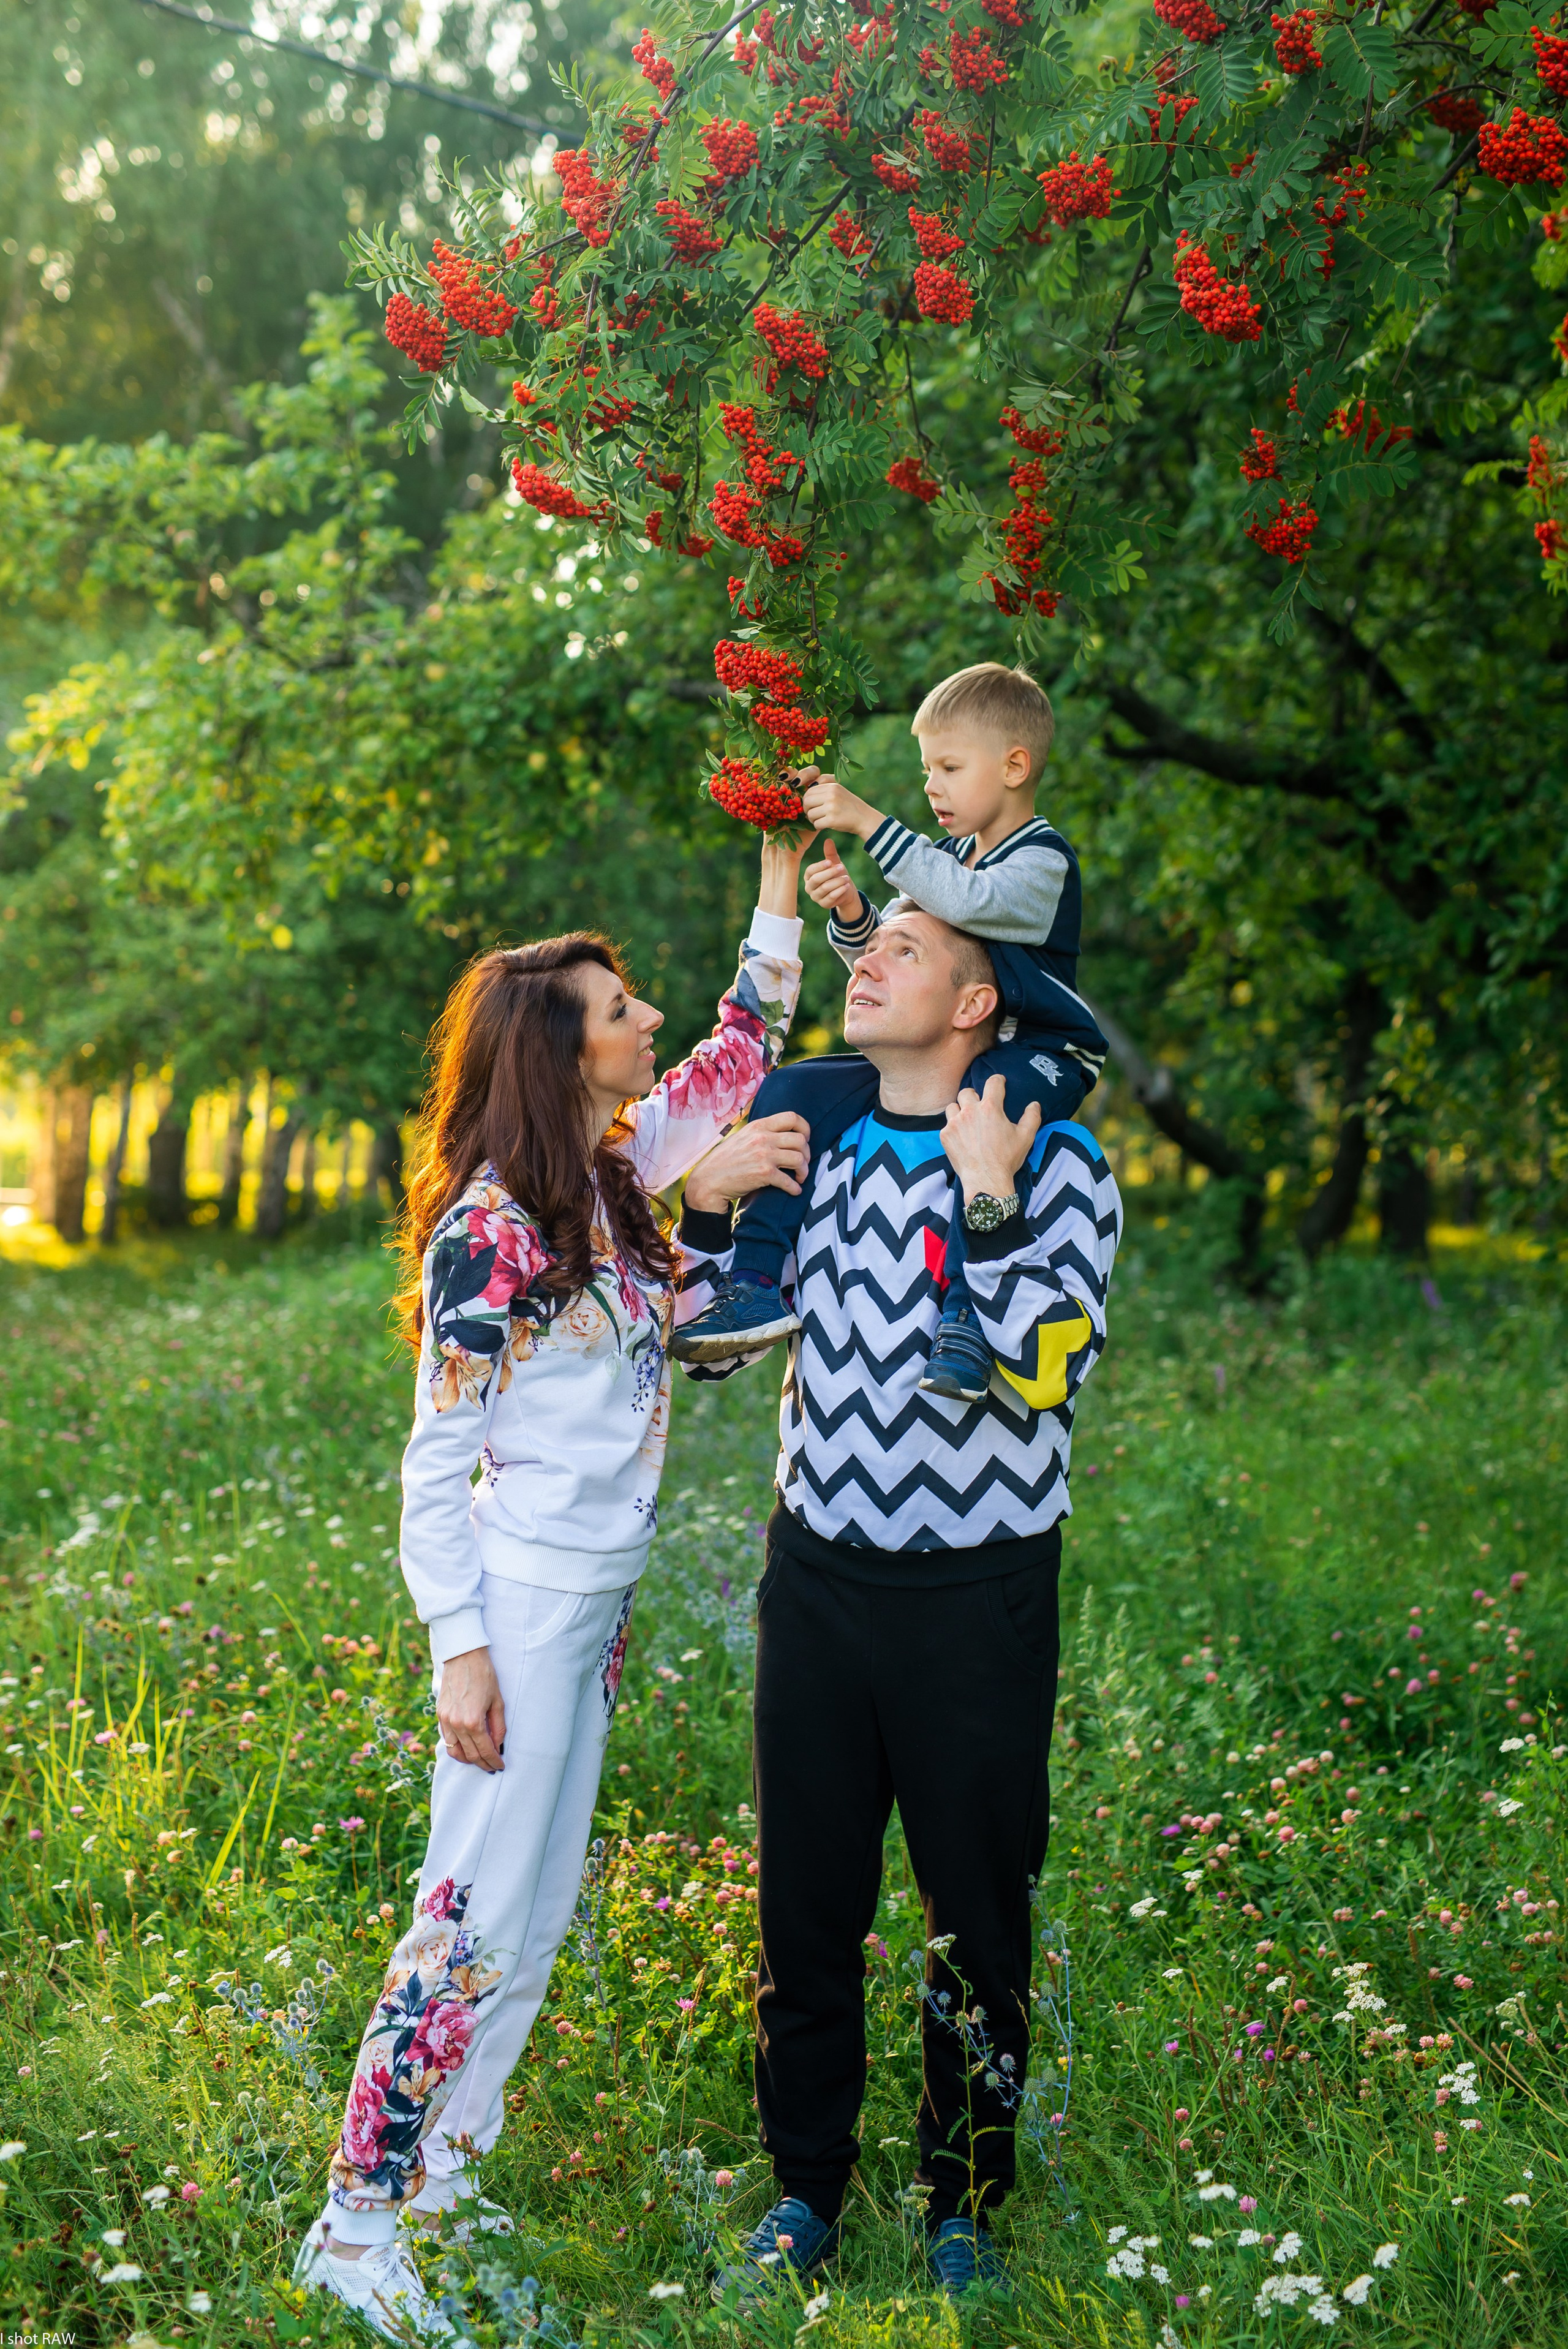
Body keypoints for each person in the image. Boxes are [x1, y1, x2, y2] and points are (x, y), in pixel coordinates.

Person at [293, 832, 816, 2341]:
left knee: (533, 1913)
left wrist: (776, 877)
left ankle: (449, 2177)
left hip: (588, 1614)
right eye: (616, 1009)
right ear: (557, 1050)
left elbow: (735, 1051)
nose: (645, 1023)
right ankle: (354, 2219)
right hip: (515, 1616)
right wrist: (461, 1649)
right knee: (461, 1916)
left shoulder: (605, 1174)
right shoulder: (495, 1228)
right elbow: (428, 1461)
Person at [677, 897, 1121, 2303]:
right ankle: (804, 2188)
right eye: (870, 947)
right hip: (817, 1577)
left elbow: (1045, 1365)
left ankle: (964, 2203)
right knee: (801, 1904)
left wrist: (984, 1196)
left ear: (978, 1002)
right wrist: (705, 1200)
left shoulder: (1060, 1158)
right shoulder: (809, 1138)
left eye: (905, 950)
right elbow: (703, 1352)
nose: (863, 961)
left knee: (972, 1921)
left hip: (977, 1594)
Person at [671, 661, 1107, 1404]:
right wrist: (852, 917)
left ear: (1014, 766)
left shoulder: (1040, 860)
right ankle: (751, 1283)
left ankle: (970, 1314)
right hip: (818, 1513)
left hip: (1042, 1051)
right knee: (795, 1085)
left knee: (983, 1103)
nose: (931, 785)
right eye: (924, 769)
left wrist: (868, 820)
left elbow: (969, 904)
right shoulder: (952, 862)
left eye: (947, 766)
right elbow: (903, 941)